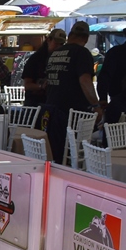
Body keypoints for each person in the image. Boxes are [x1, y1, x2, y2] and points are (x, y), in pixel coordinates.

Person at [44, 20, 101, 164]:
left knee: (55, 154)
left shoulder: (55, 53)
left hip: (51, 108)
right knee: (71, 156)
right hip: (71, 113)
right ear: (86, 38)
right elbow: (85, 81)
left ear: (70, 35)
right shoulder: (82, 53)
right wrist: (95, 105)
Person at [20, 28, 66, 106]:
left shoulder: (62, 59)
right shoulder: (35, 59)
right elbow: (27, 85)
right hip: (35, 103)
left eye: (61, 44)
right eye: (56, 43)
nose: (58, 47)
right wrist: (41, 86)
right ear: (48, 40)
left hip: (53, 103)